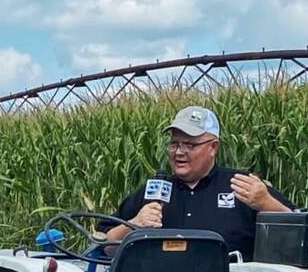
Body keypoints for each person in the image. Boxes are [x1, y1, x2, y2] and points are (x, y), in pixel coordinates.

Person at [100, 105, 294, 260]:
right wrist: (133, 225)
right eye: (175, 143)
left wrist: (267, 203)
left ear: (213, 148)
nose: (179, 152)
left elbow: (301, 234)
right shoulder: (154, 191)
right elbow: (103, 246)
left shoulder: (241, 186)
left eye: (190, 145)